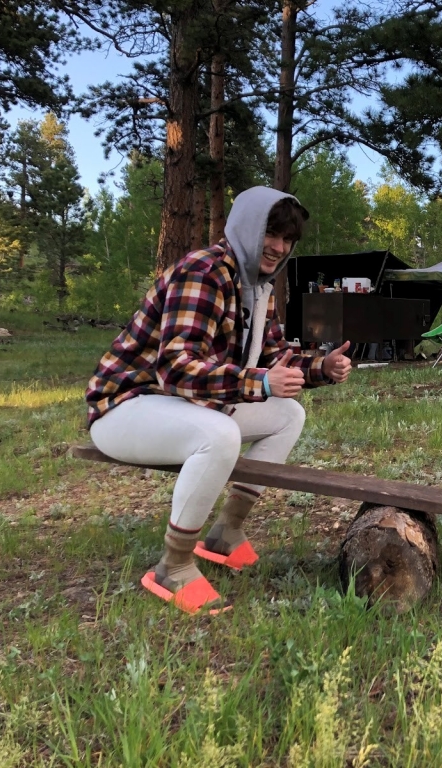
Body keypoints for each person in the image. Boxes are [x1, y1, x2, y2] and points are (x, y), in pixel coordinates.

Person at [85, 186, 352, 614]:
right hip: (126, 405)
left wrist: (322, 367)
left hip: (181, 404)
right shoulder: (204, 271)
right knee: (221, 434)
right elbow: (176, 367)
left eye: (288, 240)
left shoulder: (257, 286)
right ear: (248, 227)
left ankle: (226, 533)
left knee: (288, 415)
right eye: (272, 233)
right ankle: (172, 566)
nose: (279, 247)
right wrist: (260, 382)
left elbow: (271, 357)